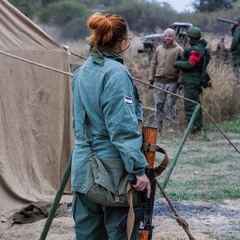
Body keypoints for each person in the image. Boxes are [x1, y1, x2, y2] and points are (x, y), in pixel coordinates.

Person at [71, 12, 151, 240]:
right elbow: (122, 129)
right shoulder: (116, 73)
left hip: (82, 170)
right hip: (112, 176)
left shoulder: (82, 71)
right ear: (123, 41)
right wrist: (137, 170)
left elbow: (78, 124)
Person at [149, 28, 183, 133]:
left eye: (170, 36)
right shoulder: (159, 49)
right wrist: (151, 79)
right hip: (159, 81)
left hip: (172, 82)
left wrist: (180, 81)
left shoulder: (179, 50)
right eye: (166, 36)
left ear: (174, 37)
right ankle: (157, 126)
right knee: (158, 103)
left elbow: (182, 68)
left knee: (170, 104)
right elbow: (153, 63)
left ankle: (170, 126)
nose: (167, 38)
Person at [174, 27, 208, 134]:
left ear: (190, 38)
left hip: (192, 81)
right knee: (195, 104)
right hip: (192, 80)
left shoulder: (196, 50)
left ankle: (193, 129)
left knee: (190, 105)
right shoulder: (198, 48)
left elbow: (191, 64)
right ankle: (197, 128)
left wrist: (177, 63)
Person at [230, 15, 240, 80]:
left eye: (235, 20)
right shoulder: (237, 28)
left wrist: (233, 49)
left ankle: (238, 81)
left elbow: (235, 40)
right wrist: (233, 29)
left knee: (235, 67)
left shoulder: (238, 29)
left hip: (237, 52)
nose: (234, 22)